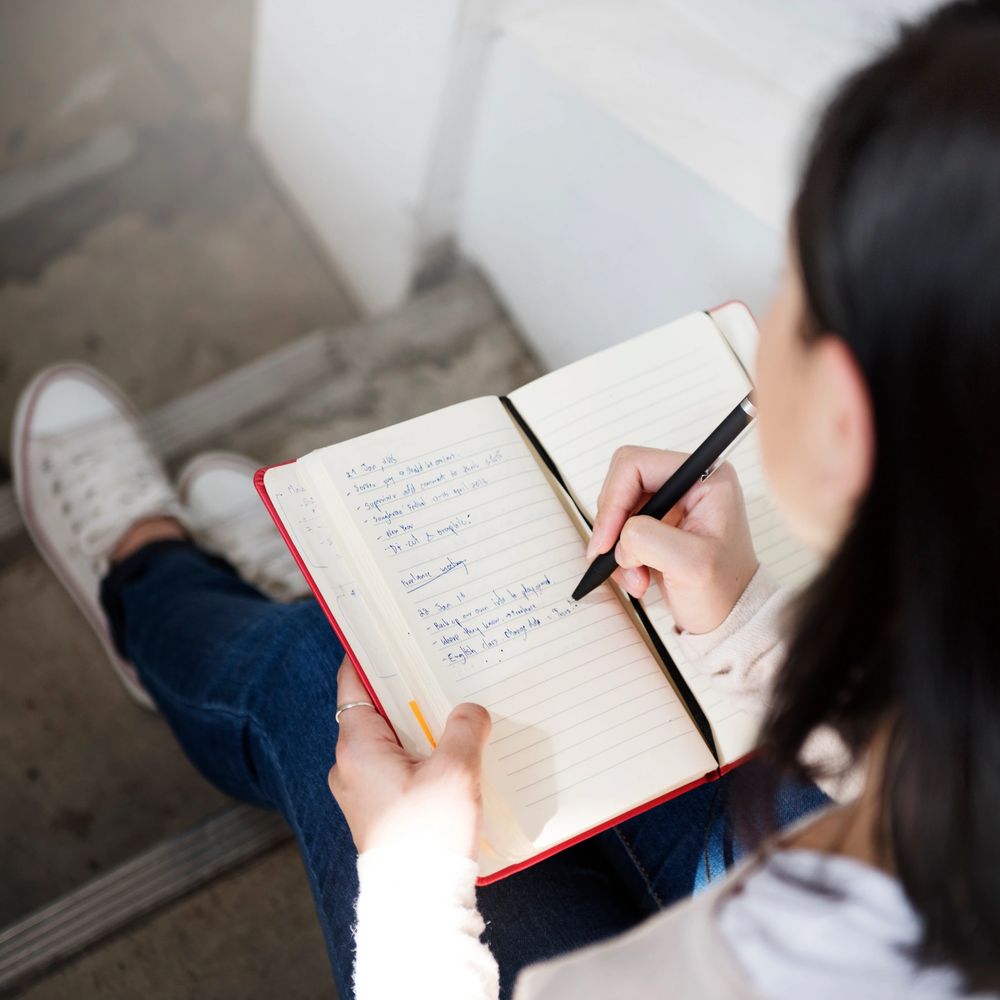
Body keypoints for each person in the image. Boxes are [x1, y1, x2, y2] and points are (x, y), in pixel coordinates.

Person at [12, 0, 1000, 995]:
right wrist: (748, 625)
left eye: (795, 286)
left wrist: (408, 888)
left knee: (323, 670)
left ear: (843, 417)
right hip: (825, 833)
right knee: (408, 674)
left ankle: (145, 582)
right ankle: (336, 614)